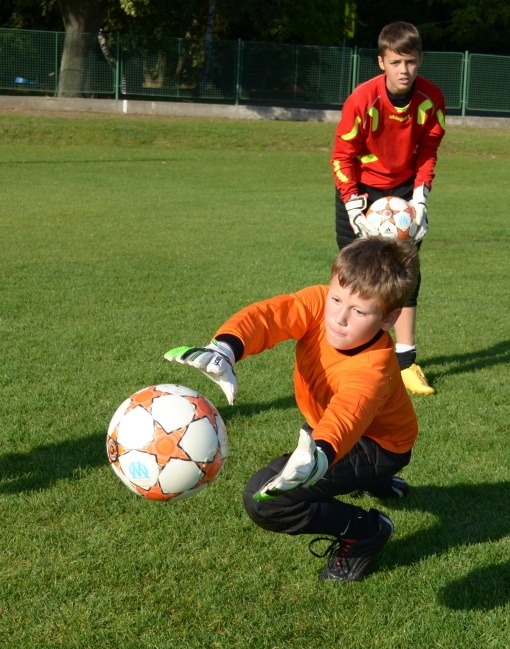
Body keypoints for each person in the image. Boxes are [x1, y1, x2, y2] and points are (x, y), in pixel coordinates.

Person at [165, 237, 420, 583]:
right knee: (318, 462)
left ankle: (365, 531)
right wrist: (225, 348)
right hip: (333, 431)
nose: (339, 317)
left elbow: (348, 414)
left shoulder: (372, 370)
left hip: (379, 445)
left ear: (389, 318)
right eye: (336, 299)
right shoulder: (318, 304)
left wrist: (320, 454)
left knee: (266, 502)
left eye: (359, 311)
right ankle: (373, 481)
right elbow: (270, 317)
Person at [331, 21, 446, 396]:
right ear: (382, 61)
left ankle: (406, 362)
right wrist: (352, 204)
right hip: (361, 191)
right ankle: (348, 358)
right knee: (354, 275)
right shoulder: (361, 100)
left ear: (420, 61)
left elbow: (428, 151)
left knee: (404, 276)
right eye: (396, 62)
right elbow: (342, 156)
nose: (404, 70)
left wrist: (421, 198)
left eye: (410, 62)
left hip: (403, 193)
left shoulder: (431, 99)